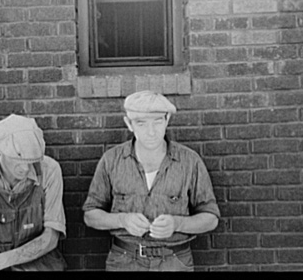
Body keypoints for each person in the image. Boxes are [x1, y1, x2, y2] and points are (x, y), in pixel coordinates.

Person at [83, 90, 220, 271]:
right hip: (125, 260)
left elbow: (210, 218)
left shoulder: (189, 161)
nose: (151, 132)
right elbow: (90, 215)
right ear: (129, 124)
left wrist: (177, 224)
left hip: (175, 260)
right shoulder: (112, 160)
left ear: (167, 120)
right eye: (141, 123)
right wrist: (122, 220)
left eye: (157, 122)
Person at [0, 114, 67, 271]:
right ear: (0, 151)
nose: (25, 168)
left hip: (38, 263)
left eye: (31, 162)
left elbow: (51, 237)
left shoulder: (50, 170)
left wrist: (3, 260)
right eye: (18, 162)